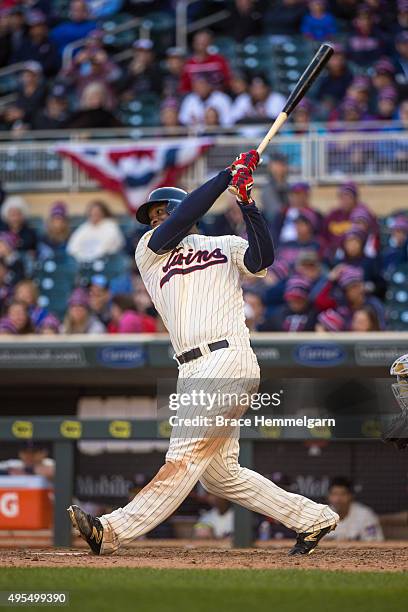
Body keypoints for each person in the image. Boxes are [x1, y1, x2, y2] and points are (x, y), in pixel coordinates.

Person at [68, 150, 339, 556]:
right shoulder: (149, 250)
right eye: (153, 213)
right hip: (191, 368)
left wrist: (247, 202)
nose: (157, 217)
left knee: (182, 456)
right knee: (219, 475)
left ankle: (111, 530)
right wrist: (225, 176)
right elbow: (179, 221)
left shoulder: (222, 244)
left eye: (164, 210)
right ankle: (311, 518)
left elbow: (262, 259)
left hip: (227, 356)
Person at [326, 477, 384, 541]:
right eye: (334, 494)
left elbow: (375, 543)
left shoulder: (366, 516)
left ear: (351, 496)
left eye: (343, 494)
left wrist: (350, 544)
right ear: (328, 496)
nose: (338, 499)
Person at [11, 10, 60, 77]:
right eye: (33, 27)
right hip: (22, 77)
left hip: (44, 77)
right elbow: (14, 60)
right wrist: (25, 69)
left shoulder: (51, 43)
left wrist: (38, 68)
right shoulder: (24, 44)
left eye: (39, 26)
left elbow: (54, 63)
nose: (37, 30)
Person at [260, 153, 289, 221]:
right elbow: (275, 213)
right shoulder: (268, 189)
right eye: (277, 164)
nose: (280, 168)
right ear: (270, 167)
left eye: (283, 164)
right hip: (274, 227)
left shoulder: (288, 186)